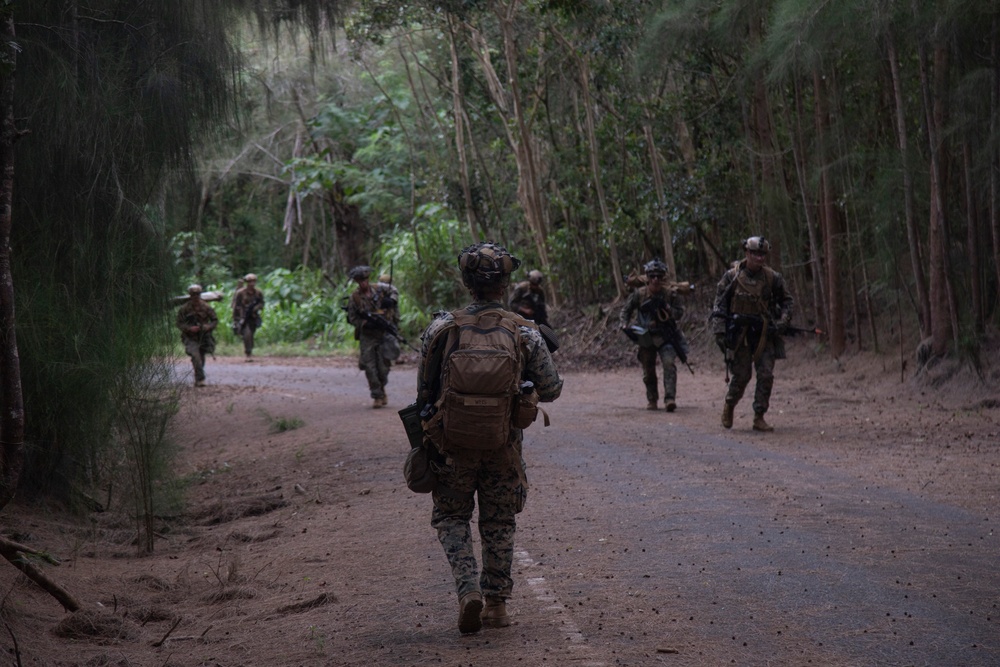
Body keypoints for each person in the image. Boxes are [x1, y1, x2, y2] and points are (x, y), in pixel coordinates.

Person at [416, 242, 562, 634]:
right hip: (503, 446)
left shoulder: (442, 328)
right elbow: (551, 389)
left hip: (452, 447)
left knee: (451, 517)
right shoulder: (524, 332)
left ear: (467, 283)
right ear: (505, 283)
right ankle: (496, 605)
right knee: (499, 522)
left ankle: (468, 591)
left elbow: (423, 394)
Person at [709, 236, 795, 432]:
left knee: (765, 374)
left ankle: (759, 416)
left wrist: (782, 322)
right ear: (747, 253)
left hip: (764, 333)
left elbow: (788, 302)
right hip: (740, 335)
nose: (759, 258)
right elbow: (719, 304)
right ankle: (730, 403)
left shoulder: (773, 278)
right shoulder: (732, 277)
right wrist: (719, 331)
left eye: (762, 254)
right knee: (742, 376)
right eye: (755, 253)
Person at [619, 258, 689, 412]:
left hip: (666, 335)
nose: (655, 280)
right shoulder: (640, 294)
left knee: (669, 364)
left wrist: (670, 311)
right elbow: (626, 309)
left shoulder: (670, 294)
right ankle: (652, 399)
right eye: (652, 276)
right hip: (646, 337)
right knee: (648, 369)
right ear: (648, 278)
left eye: (658, 276)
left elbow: (680, 313)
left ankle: (670, 398)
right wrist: (624, 324)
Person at [346, 265, 400, 408]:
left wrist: (391, 301)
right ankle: (376, 395)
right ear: (357, 282)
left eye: (364, 280)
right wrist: (364, 323)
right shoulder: (355, 297)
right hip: (367, 335)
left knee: (384, 366)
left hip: (383, 332)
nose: (363, 283)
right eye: (359, 281)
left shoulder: (380, 289)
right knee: (370, 367)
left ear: (368, 279)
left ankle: (382, 388)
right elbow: (352, 318)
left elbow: (394, 291)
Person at [176, 284, 218, 387]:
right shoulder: (185, 308)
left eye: (197, 294)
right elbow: (179, 323)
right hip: (190, 337)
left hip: (204, 336)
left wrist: (207, 327)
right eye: (193, 294)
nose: (195, 297)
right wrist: (189, 328)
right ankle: (200, 379)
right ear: (190, 295)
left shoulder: (206, 307)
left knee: (201, 356)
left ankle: (198, 376)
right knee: (195, 355)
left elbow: (214, 320)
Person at [232, 273, 265, 361]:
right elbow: (235, 306)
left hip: (253, 317)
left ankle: (250, 350)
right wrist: (235, 320)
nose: (252, 284)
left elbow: (262, 303)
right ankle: (248, 353)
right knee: (247, 334)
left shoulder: (258, 293)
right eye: (250, 282)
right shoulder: (240, 293)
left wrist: (255, 308)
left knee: (251, 334)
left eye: (253, 281)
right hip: (243, 317)